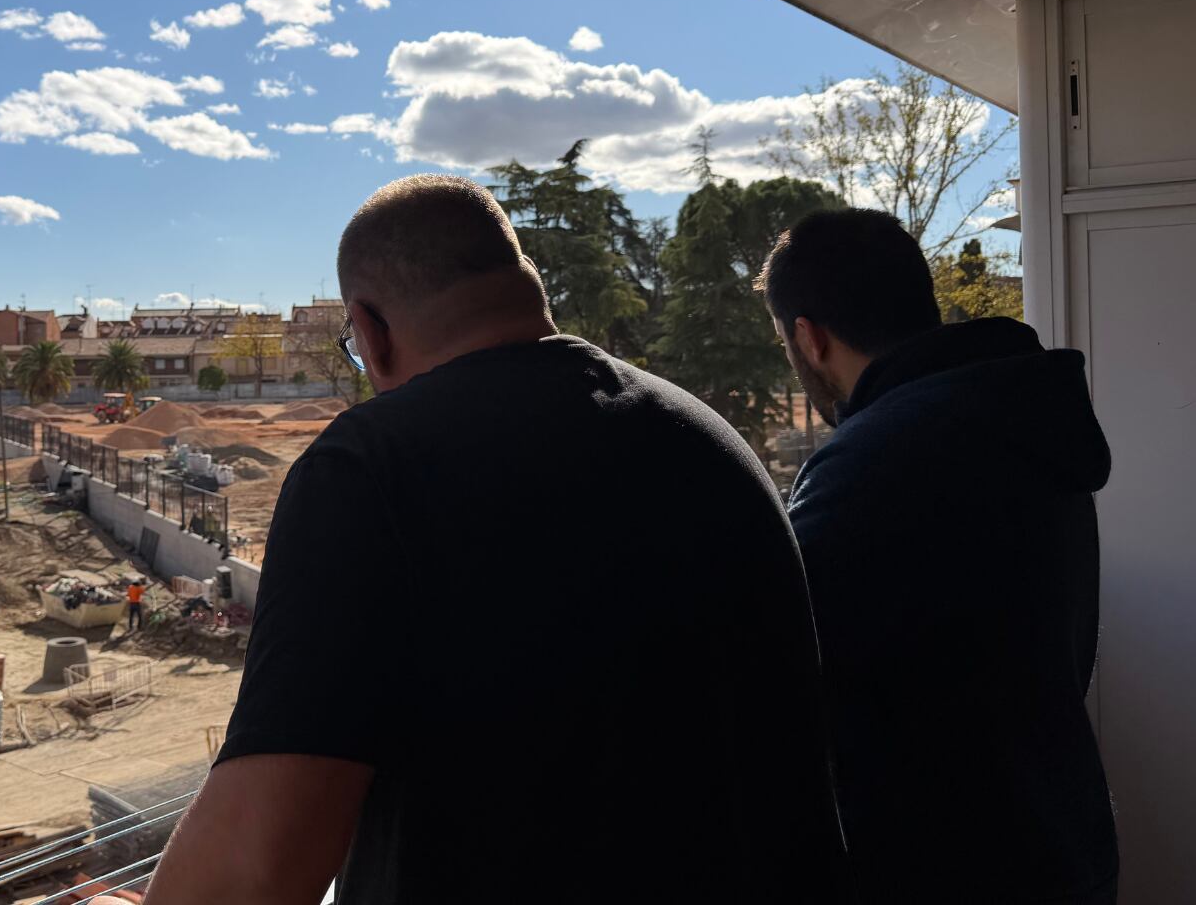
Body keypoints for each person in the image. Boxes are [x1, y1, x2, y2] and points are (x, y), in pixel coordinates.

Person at [147, 175, 844, 904]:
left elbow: (260, 864)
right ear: (527, 287)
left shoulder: (371, 467)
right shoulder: (710, 445)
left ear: (372, 330)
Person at [758, 208, 1118, 903]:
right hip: (1062, 836)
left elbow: (784, 672)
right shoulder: (1016, 414)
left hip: (944, 861)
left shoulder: (871, 463)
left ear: (809, 336)